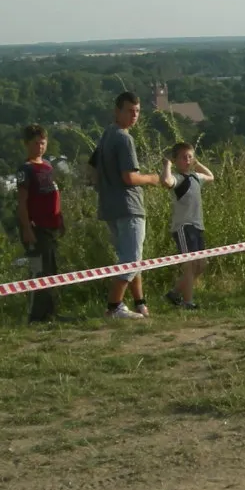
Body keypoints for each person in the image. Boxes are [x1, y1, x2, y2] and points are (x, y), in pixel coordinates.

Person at [94, 90, 161, 320]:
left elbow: (91, 169)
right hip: (128, 206)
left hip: (109, 205)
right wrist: (152, 179)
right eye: (130, 111)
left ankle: (140, 303)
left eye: (137, 111)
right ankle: (114, 307)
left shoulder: (106, 135)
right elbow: (130, 178)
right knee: (131, 259)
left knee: (132, 257)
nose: (134, 116)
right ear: (117, 111)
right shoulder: (124, 138)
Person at [16, 124, 63, 323]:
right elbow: (22, 202)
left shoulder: (48, 167)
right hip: (37, 228)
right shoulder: (25, 170)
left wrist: (60, 222)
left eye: (43, 143)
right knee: (40, 271)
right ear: (27, 144)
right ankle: (36, 316)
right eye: (36, 143)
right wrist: (27, 228)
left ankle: (50, 313)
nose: (40, 147)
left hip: (52, 226)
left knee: (52, 271)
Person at [161, 141, 215, 310]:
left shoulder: (195, 177)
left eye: (190, 157)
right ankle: (187, 302)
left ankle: (174, 293)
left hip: (198, 226)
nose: (187, 160)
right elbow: (166, 181)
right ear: (176, 160)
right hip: (184, 227)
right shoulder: (178, 179)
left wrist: (197, 163)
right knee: (190, 265)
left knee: (201, 265)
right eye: (183, 158)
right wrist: (167, 165)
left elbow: (211, 176)